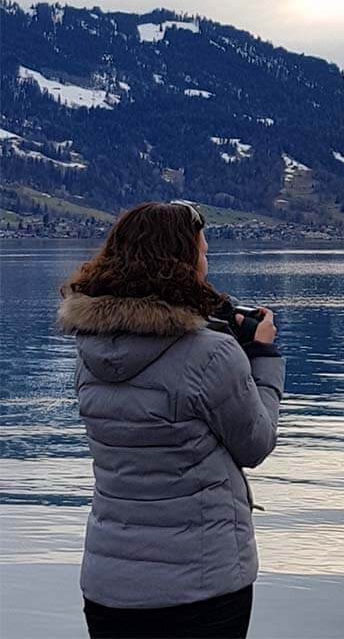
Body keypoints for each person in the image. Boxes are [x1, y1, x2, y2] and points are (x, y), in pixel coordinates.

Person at [56, 201, 285, 639]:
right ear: (182, 263)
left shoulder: (89, 354)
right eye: (202, 252)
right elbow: (255, 443)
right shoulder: (211, 356)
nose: (206, 262)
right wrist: (262, 357)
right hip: (202, 589)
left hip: (109, 588)